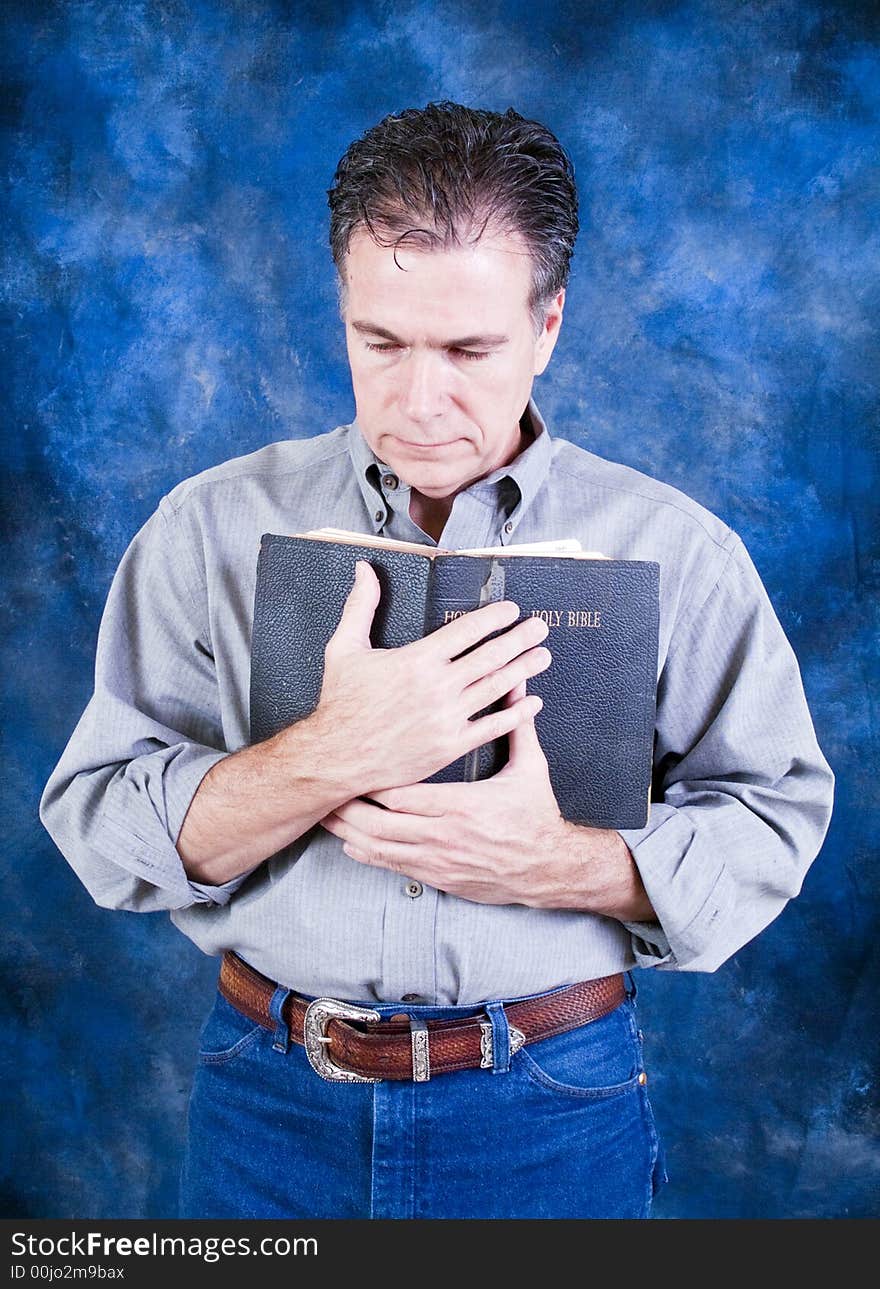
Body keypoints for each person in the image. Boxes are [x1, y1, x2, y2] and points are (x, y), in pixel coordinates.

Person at [40, 101, 834, 1220]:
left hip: (549, 1102)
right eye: (381, 343)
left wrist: (557, 862)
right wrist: (330, 755)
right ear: (342, 314)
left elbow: (773, 818)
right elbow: (99, 824)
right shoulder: (205, 526)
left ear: (549, 323)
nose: (418, 403)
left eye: (468, 350)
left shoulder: (677, 550)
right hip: (266, 1096)